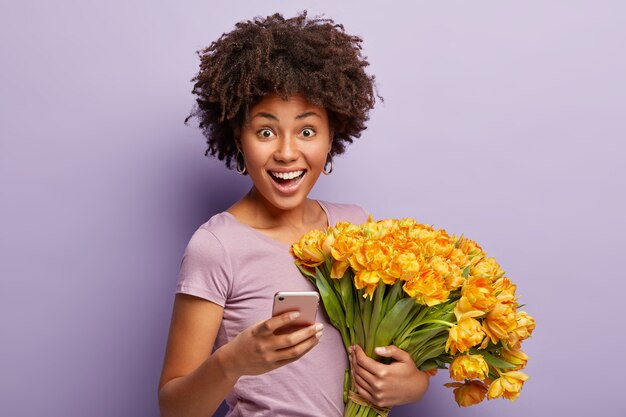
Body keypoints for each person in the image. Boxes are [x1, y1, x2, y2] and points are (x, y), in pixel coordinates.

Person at [158, 11, 429, 417]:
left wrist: (413, 384)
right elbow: (174, 409)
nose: (286, 152)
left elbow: (397, 353)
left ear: (332, 135)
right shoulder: (217, 246)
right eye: (265, 131)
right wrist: (233, 361)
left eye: (306, 131)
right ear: (238, 137)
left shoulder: (358, 229)